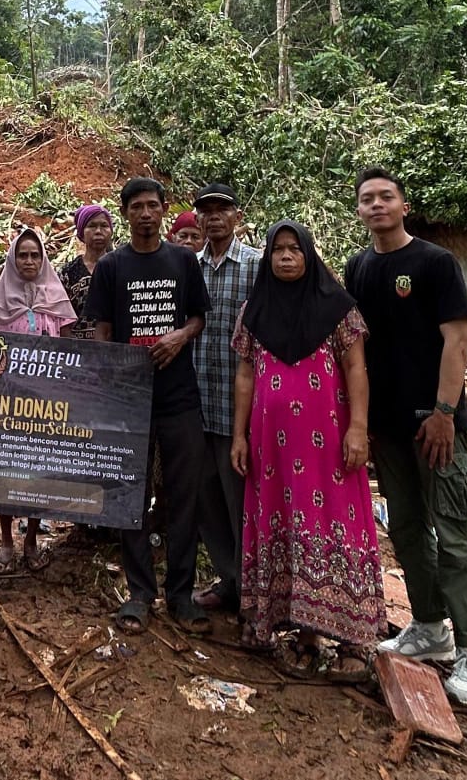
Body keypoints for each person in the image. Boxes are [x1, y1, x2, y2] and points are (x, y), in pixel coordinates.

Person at [344, 167, 467, 708]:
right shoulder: (358, 268)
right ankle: (430, 627)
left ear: (404, 206)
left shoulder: (435, 263)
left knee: (454, 534)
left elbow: (456, 342)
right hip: (385, 427)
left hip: (435, 425)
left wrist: (444, 413)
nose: (377, 205)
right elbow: (353, 347)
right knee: (407, 528)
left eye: (387, 196)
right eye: (367, 199)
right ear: (359, 210)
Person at [230, 222, 385, 681]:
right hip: (271, 451)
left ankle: (354, 641)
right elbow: (245, 376)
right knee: (283, 522)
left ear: (309, 255)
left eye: (294, 250)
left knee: (337, 524)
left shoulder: (338, 309)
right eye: (276, 250)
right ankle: (304, 635)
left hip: (329, 449)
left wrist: (359, 427)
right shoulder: (253, 311)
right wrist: (239, 436)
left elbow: (356, 368)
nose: (285, 258)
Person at [87, 177, 211, 635]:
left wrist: (179, 336)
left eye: (152, 205)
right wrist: (115, 373)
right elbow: (100, 328)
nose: (145, 213)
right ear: (125, 214)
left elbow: (198, 316)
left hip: (179, 398)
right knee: (130, 498)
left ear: (163, 211)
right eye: (136, 206)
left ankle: (180, 594)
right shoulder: (112, 268)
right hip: (130, 403)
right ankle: (140, 593)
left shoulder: (183, 260)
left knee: (184, 497)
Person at [0, 228, 78, 569]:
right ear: (13, 259)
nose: (29, 261)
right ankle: (7, 541)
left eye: (35, 255)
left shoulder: (56, 298)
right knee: (7, 472)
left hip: (47, 406)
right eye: (23, 255)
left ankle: (32, 539)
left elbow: (68, 351)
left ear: (44, 259)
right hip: (9, 405)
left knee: (39, 473)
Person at [189, 183, 263, 615]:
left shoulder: (255, 265)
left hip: (240, 412)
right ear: (198, 219)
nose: (214, 217)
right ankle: (230, 581)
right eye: (206, 211)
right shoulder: (187, 266)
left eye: (222, 210)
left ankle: (254, 590)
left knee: (243, 504)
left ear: (236, 216)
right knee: (206, 501)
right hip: (196, 403)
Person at [60, 204, 114, 340]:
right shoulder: (68, 272)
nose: (98, 231)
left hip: (116, 349)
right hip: (79, 351)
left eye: (104, 226)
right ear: (81, 232)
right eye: (92, 226)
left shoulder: (120, 267)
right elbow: (61, 319)